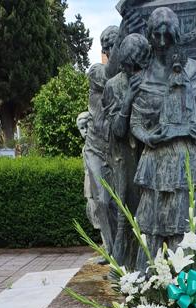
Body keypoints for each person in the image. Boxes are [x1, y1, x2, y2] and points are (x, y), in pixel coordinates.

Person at [128, 7, 196, 269]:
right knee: (158, 222)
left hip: (195, 157)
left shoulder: (195, 70)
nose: (162, 42)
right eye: (157, 36)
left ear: (176, 35)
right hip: (159, 161)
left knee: (195, 219)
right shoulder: (143, 77)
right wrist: (149, 137)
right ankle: (157, 280)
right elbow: (136, 122)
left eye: (168, 36)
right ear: (150, 36)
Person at [101, 33, 151, 267]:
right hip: (124, 159)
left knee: (150, 212)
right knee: (125, 214)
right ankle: (122, 266)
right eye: (129, 66)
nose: (133, 71)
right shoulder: (113, 86)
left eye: (137, 66)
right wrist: (129, 98)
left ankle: (149, 263)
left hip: (149, 156)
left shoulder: (151, 80)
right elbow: (118, 130)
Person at [84, 26, 120, 254]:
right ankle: (112, 251)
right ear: (106, 49)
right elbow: (110, 76)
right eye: (115, 44)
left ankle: (122, 250)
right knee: (104, 202)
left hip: (118, 151)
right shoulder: (97, 71)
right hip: (97, 149)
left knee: (122, 203)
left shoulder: (131, 78)